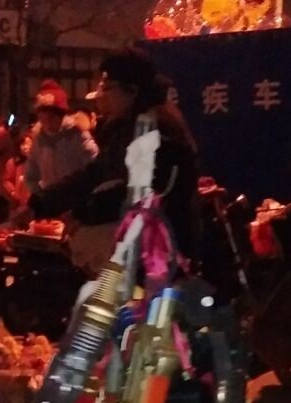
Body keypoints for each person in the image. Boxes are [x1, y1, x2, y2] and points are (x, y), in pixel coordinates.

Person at [30, 51, 198, 274]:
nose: (103, 95)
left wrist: (84, 213)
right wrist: (40, 203)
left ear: (132, 90)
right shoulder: (123, 125)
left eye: (108, 88)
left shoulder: (157, 126)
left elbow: (140, 192)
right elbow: (95, 173)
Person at [23, 81, 97, 200]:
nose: (47, 118)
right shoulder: (39, 140)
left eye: (52, 114)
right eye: (43, 112)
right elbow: (31, 175)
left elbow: (93, 168)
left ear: (60, 114)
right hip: (49, 202)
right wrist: (39, 196)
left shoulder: (77, 135)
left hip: (76, 201)